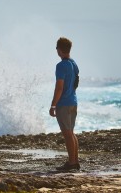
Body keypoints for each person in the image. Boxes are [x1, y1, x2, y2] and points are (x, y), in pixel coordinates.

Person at [49, 37, 80, 170]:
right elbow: (76, 83)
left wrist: (53, 105)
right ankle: (74, 161)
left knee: (67, 134)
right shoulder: (74, 63)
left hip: (64, 104)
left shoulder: (61, 66)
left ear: (60, 50)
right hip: (73, 101)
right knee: (71, 133)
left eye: (57, 48)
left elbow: (59, 88)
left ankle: (72, 163)